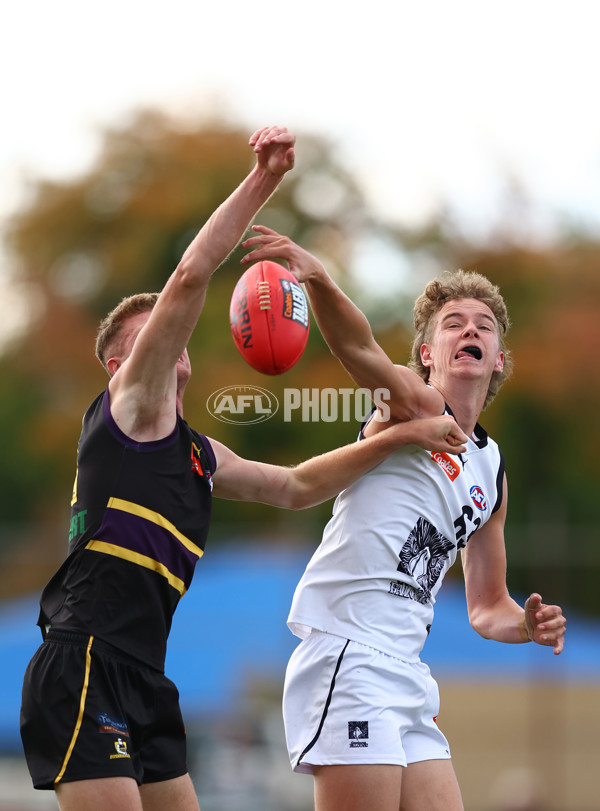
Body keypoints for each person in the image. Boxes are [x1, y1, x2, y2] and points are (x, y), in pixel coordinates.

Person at [19, 126, 470, 811]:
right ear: (119, 365)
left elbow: (296, 486)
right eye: (150, 333)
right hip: (83, 662)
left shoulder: (198, 453)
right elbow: (191, 277)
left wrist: (400, 435)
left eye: (171, 335)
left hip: (145, 675)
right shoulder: (128, 407)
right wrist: (264, 179)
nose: (171, 336)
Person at [240, 224, 567, 811]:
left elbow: (486, 605)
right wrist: (317, 279)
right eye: (453, 323)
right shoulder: (416, 405)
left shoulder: (491, 471)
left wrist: (527, 626)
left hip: (406, 672)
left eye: (484, 327)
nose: (471, 329)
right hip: (349, 649)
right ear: (427, 355)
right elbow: (359, 349)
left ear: (496, 361)